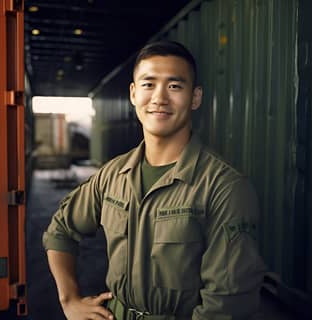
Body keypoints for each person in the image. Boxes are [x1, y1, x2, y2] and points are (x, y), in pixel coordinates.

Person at [43, 40, 266, 320]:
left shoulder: (225, 188)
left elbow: (227, 307)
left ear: (195, 98)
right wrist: (70, 299)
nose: (159, 98)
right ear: (134, 94)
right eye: (149, 84)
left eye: (175, 86)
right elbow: (61, 229)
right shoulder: (113, 174)